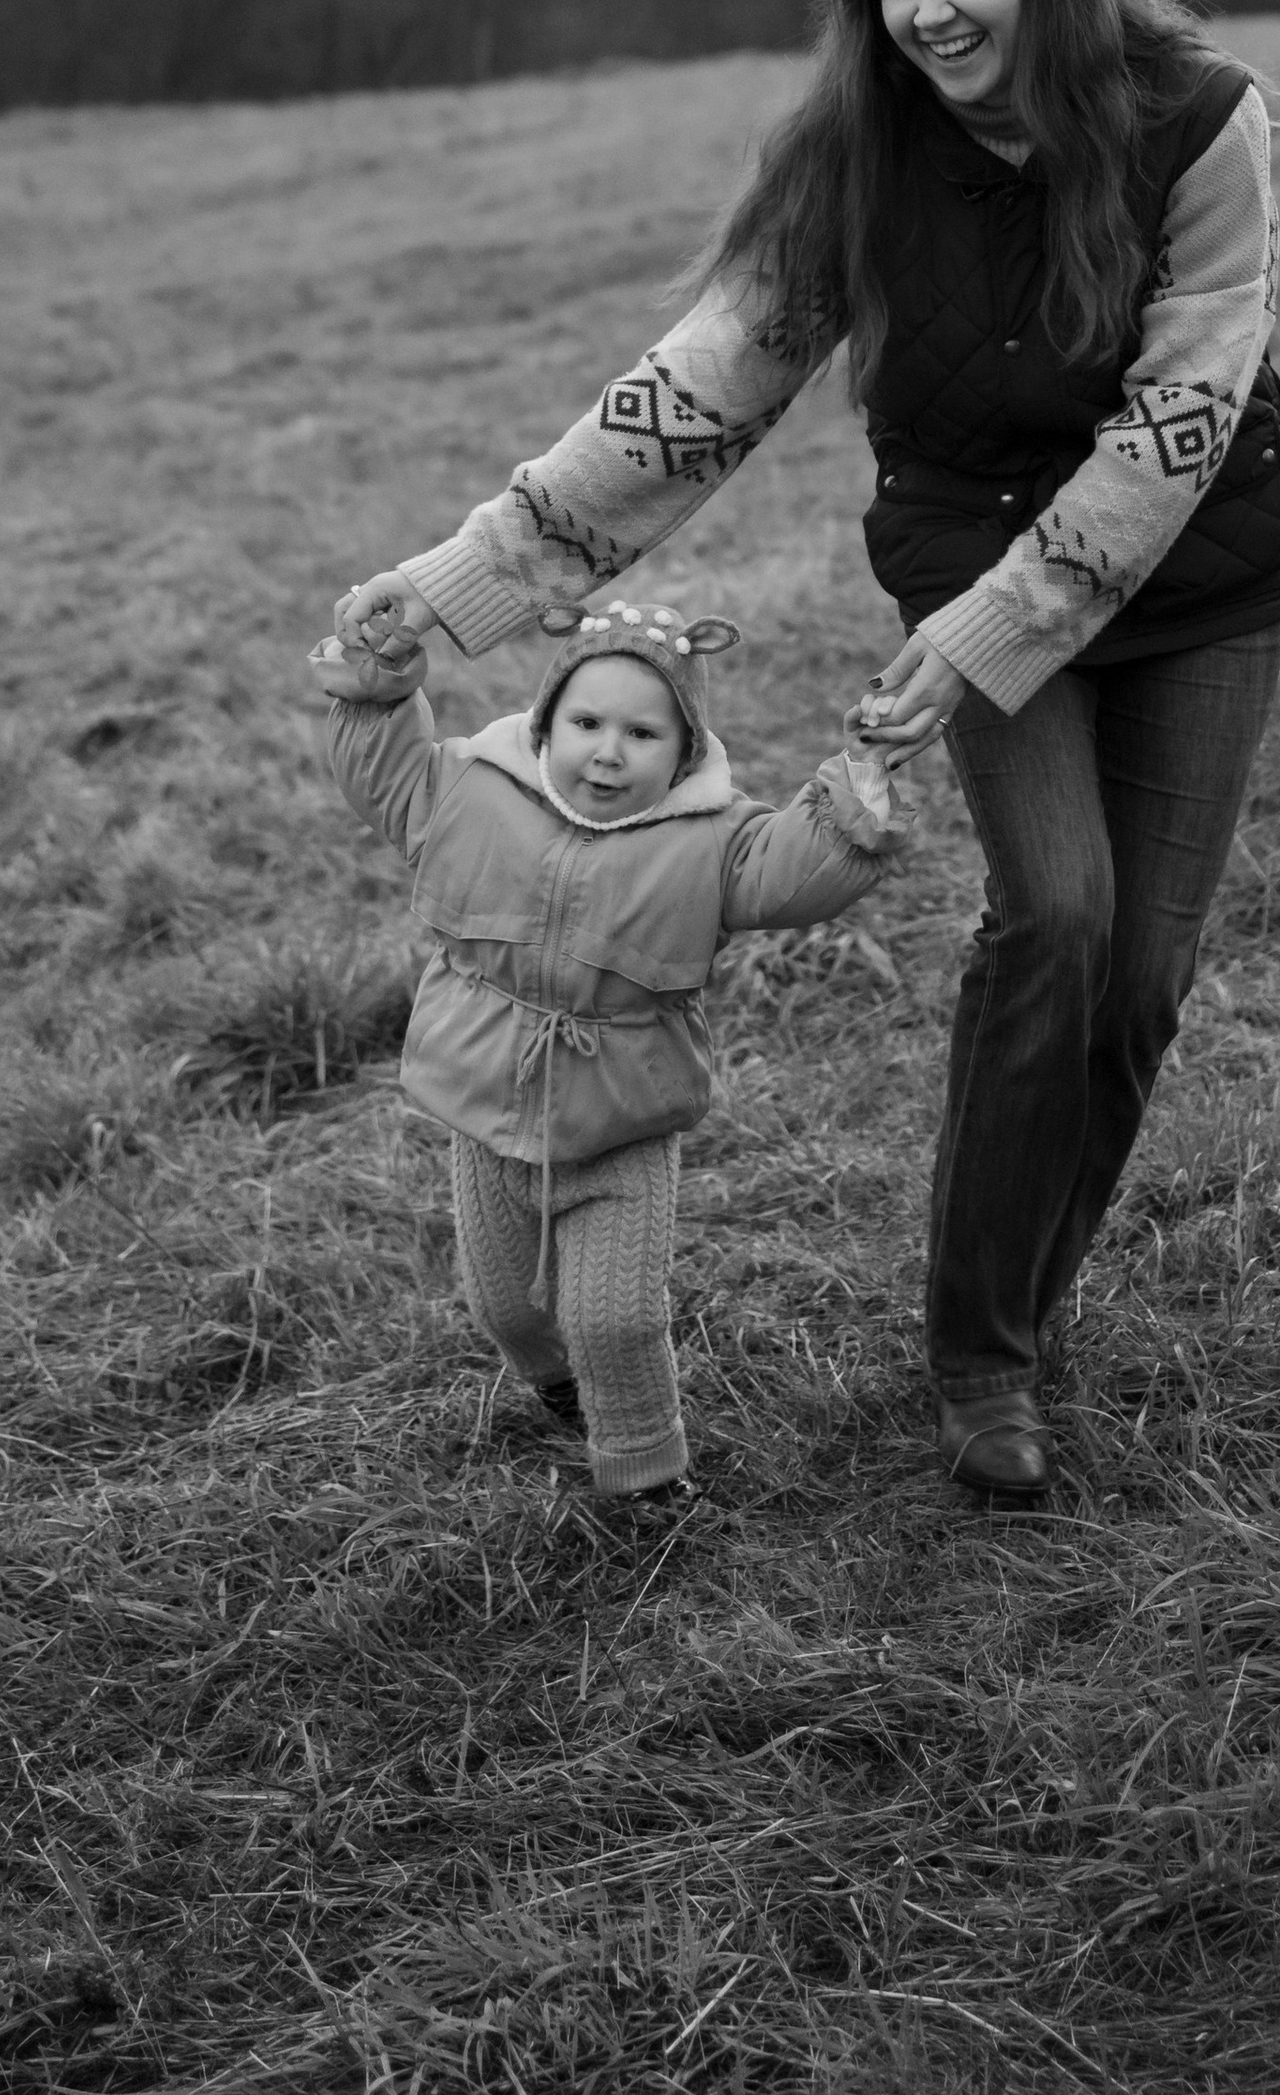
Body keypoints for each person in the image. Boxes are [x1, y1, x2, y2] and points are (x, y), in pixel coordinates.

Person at [336, 0, 1280, 1509]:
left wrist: (1016, 612)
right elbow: (695, 395)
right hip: (962, 579)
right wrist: (466, 580)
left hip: (1200, 576)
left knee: (1142, 976)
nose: (928, 9)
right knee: (1057, 917)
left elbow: (1183, 412)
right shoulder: (855, 156)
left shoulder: (1197, 119)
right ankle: (979, 1357)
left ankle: (1023, 1294)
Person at [312, 593, 915, 1505]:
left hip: (623, 1119)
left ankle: (644, 1474)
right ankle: (554, 1383)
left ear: (684, 754)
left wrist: (859, 780)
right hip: (487, 1108)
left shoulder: (712, 840)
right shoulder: (468, 792)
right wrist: (375, 680)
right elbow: (382, 764)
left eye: (643, 733)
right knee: (506, 1308)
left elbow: (795, 869)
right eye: (586, 721)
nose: (608, 750)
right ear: (547, 722)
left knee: (616, 1319)